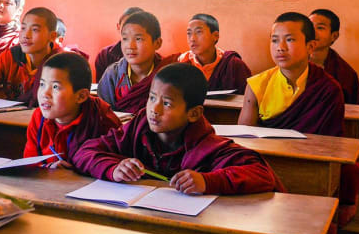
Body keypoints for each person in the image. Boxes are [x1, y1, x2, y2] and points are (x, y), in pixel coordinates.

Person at [74, 63, 284, 195]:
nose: (153, 110)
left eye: (166, 103)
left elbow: (262, 174)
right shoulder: (138, 129)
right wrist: (113, 168)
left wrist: (206, 181)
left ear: (194, 113)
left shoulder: (207, 145)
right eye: (152, 98)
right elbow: (85, 151)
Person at [238, 12, 359, 227]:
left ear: (310, 46)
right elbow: (244, 137)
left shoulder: (329, 88)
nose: (280, 48)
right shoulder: (258, 84)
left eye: (290, 39)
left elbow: (332, 143)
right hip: (268, 162)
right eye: (275, 40)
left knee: (350, 170)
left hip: (312, 165)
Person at [23, 53, 121, 168]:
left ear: (81, 96)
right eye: (42, 84)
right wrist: (47, 169)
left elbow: (111, 165)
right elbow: (30, 163)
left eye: (55, 87)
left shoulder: (101, 120)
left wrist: (74, 172)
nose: (45, 93)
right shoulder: (39, 117)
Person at [0, 7, 62, 107]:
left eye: (35, 30)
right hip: (12, 119)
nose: (26, 35)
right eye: (23, 28)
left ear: (52, 36)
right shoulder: (11, 56)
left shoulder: (61, 63)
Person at [97, 11, 177, 113]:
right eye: (125, 39)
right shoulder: (112, 74)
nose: (130, 46)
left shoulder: (168, 74)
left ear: (157, 43)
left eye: (138, 39)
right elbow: (103, 115)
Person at [177, 14, 251, 94]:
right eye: (189, 33)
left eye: (198, 32)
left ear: (215, 36)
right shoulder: (182, 62)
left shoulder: (233, 64)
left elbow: (247, 99)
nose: (192, 39)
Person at [309, 9, 359, 104]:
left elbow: (351, 111)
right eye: (310, 27)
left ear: (334, 36)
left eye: (320, 28)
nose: (312, 32)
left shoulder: (345, 73)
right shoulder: (292, 63)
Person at [94, 7, 143, 82]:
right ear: (118, 27)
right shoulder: (104, 55)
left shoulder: (153, 58)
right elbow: (101, 89)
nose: (131, 30)